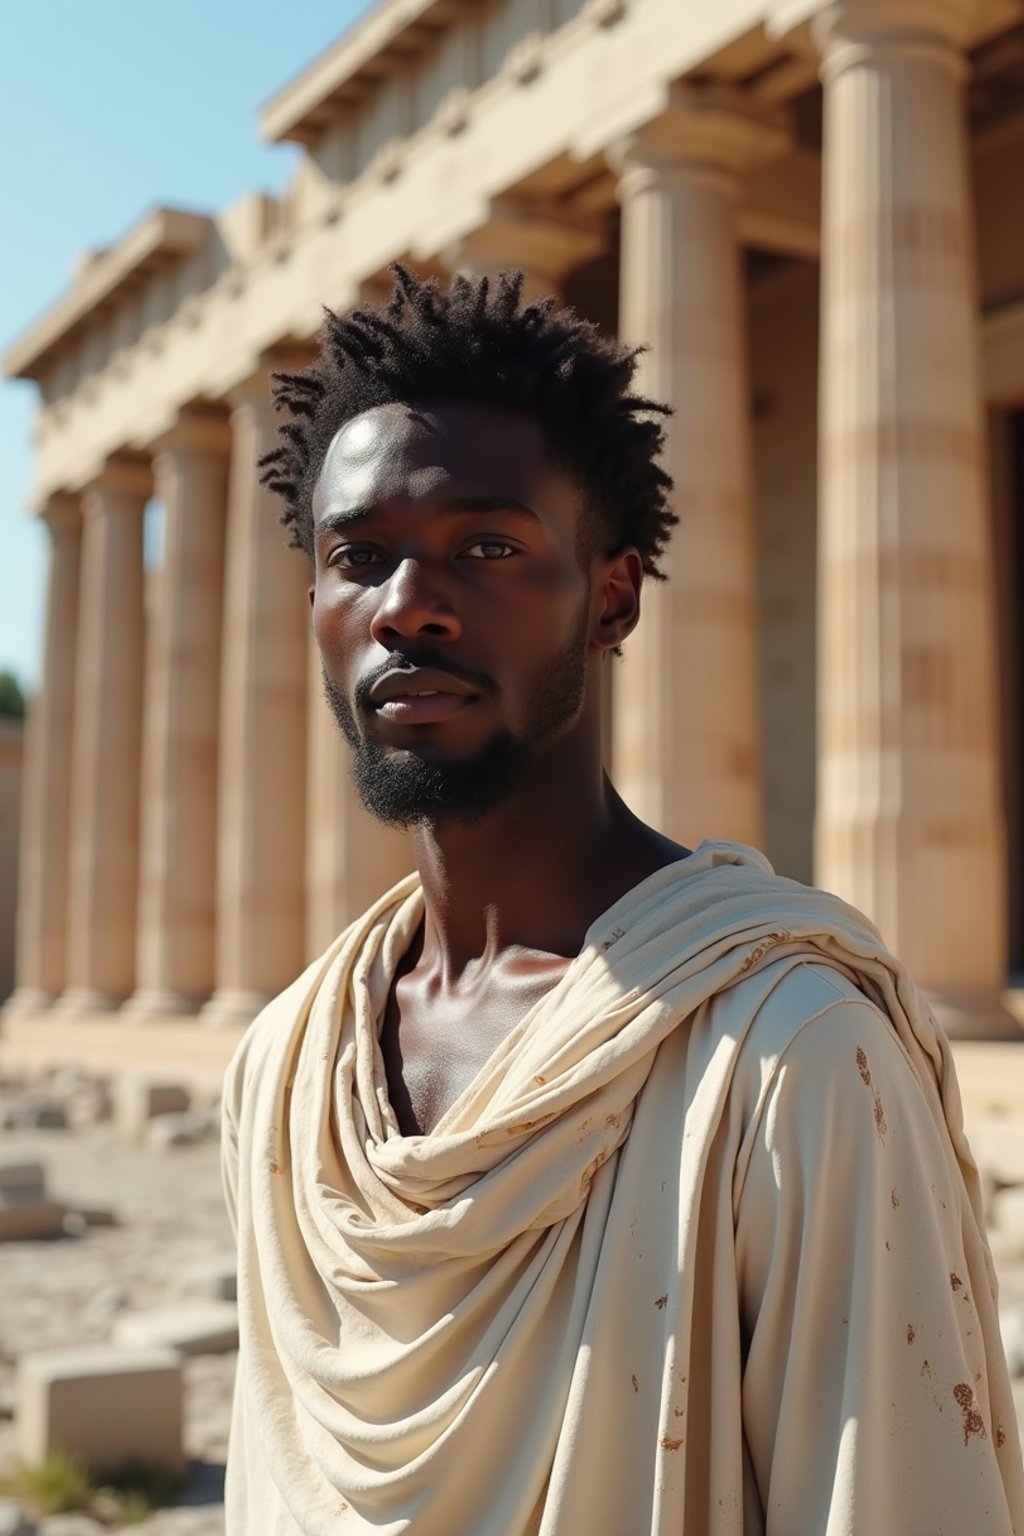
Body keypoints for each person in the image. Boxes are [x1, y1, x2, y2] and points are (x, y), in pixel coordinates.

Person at [221, 265, 1024, 1535]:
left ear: (612, 594)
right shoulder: (285, 1073)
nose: (408, 606)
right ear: (317, 605)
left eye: (487, 546)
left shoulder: (789, 1062)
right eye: (359, 558)